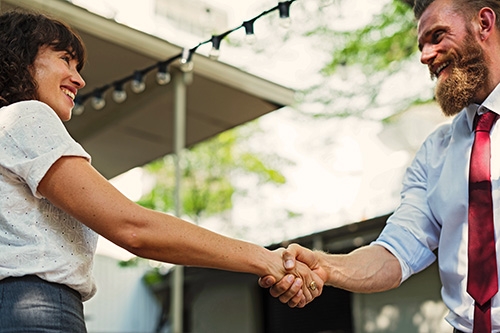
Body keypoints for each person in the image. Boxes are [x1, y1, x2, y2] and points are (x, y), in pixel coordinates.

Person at [0, 9, 324, 332]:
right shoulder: (25, 118)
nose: (79, 79)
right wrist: (265, 258)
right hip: (33, 311)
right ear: (18, 57)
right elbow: (132, 227)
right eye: (64, 59)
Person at [261, 0, 500, 332]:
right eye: (422, 45)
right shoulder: (434, 152)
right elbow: (396, 252)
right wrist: (326, 266)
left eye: (437, 36)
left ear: (484, 23)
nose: (425, 55)